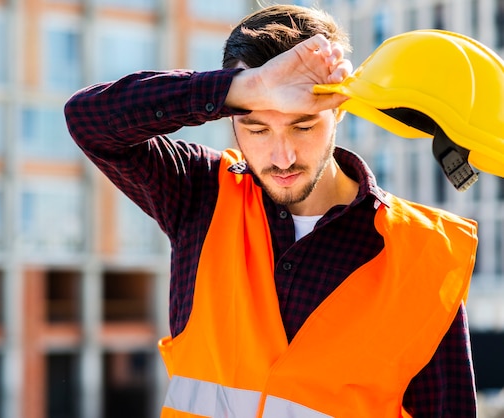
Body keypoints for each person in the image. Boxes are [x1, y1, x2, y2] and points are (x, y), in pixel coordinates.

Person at [64, 4, 478, 417]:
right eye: (257, 128)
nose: (281, 157)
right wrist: (245, 87)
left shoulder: (423, 257)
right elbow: (88, 120)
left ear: (339, 109)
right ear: (231, 117)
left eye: (303, 125)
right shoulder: (200, 192)